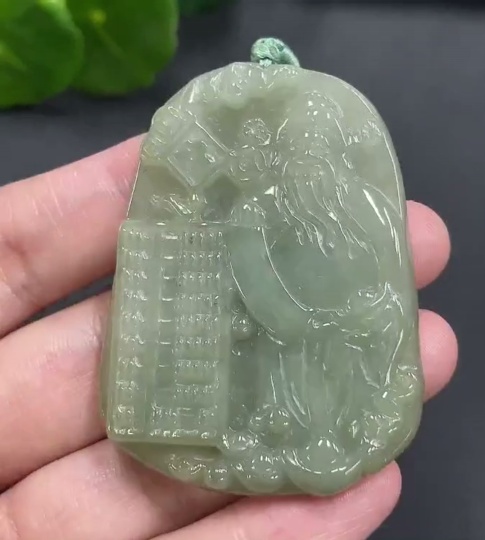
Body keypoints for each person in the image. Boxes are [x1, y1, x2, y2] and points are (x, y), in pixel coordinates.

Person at [0, 137, 457, 540]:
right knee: (292, 374)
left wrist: (357, 310)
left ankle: (322, 431)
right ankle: (306, 430)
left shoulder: (348, 212)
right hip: (284, 331)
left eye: (317, 164)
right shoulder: (257, 214)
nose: (309, 176)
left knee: (336, 366)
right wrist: (300, 320)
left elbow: (371, 270)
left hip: (332, 330)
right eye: (298, 164)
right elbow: (259, 284)